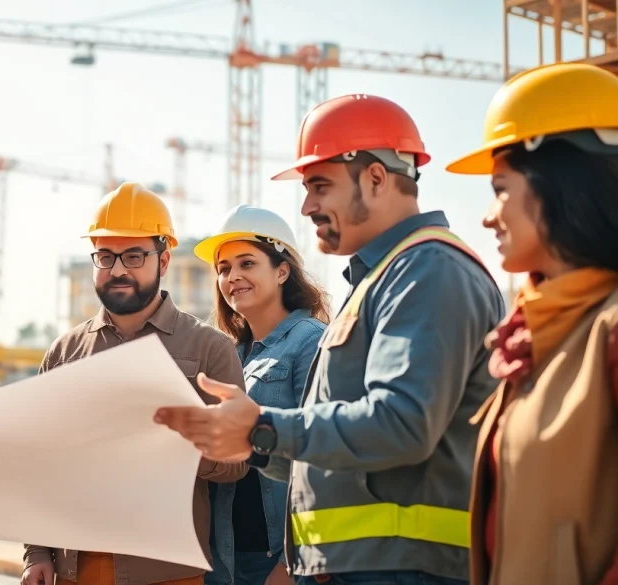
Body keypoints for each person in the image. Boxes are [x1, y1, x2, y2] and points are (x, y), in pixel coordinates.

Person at [155, 94, 507, 585]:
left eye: (319, 186)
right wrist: (254, 443)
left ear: (377, 178)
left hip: (405, 569)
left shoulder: (427, 270)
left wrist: (262, 428)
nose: (307, 205)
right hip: (371, 566)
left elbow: (402, 424)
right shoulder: (384, 278)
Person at [20, 182, 249, 585]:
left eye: (134, 255)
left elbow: (236, 465)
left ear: (163, 261)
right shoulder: (63, 353)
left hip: (167, 572)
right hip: (76, 571)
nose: (118, 269)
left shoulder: (210, 349)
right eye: (105, 256)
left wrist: (179, 440)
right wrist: (36, 552)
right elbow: (40, 463)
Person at [445, 62, 618, 585]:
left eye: (500, 188)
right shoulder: (543, 335)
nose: (488, 215)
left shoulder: (608, 334)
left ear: (561, 184)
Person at [192, 205, 328, 585]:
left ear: (282, 271)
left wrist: (289, 563)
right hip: (227, 558)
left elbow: (320, 460)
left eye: (247, 263)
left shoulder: (311, 342)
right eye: (224, 268)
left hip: (276, 561)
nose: (233, 276)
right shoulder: (231, 353)